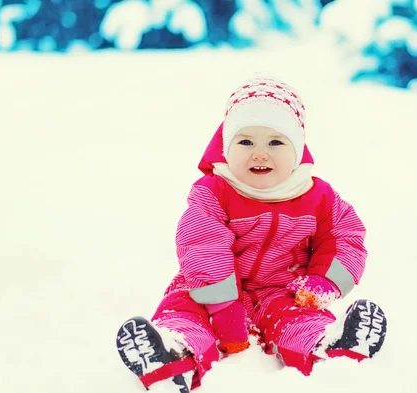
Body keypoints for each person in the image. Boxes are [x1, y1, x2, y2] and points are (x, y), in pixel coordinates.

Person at [115, 74, 387, 392]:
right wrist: (225, 311)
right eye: (245, 141)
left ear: (297, 149)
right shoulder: (214, 192)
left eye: (275, 142)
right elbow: (203, 249)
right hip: (209, 289)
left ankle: (330, 345)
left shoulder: (319, 196)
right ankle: (173, 353)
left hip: (284, 289)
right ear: (226, 147)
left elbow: (345, 238)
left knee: (298, 319)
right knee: (186, 311)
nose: (259, 153)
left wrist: (323, 284)